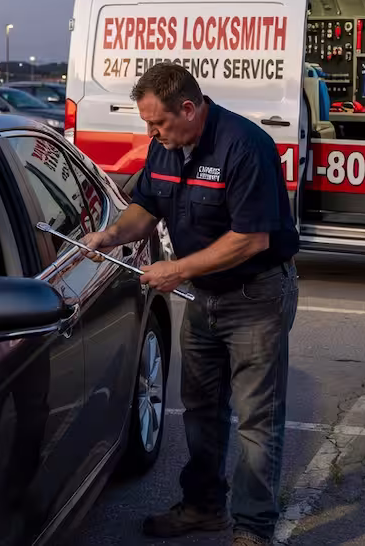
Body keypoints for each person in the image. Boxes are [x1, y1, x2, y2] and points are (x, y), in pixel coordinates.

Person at [82, 63, 299, 546]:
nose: (151, 133)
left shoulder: (244, 147)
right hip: (205, 297)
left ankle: (253, 528)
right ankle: (203, 508)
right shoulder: (166, 147)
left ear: (188, 107)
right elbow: (147, 205)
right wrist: (114, 234)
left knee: (256, 417)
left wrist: (177, 270)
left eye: (157, 123)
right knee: (200, 409)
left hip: (255, 297)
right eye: (148, 124)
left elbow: (251, 239)